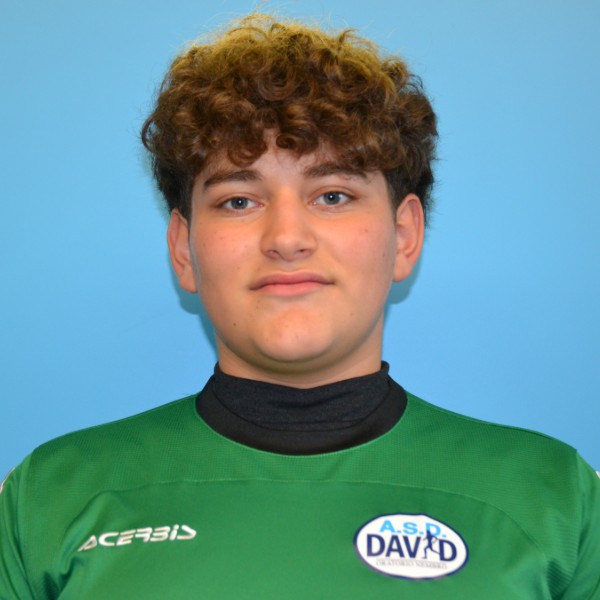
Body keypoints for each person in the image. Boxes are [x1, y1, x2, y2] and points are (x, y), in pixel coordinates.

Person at [1, 13, 598, 600]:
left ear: (404, 236)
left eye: (332, 195)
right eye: (239, 201)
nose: (287, 239)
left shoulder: (557, 500)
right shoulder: (47, 500)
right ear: (184, 250)